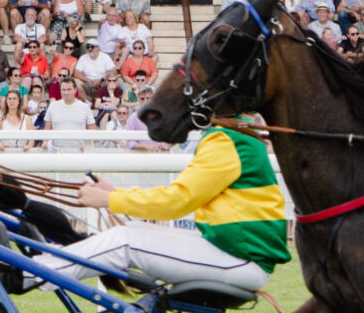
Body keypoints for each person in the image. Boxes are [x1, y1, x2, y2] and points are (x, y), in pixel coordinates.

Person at [60, 117, 291, 295]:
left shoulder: (226, 138)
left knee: (125, 240)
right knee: (130, 232)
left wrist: (109, 201)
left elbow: (176, 200)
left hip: (240, 259)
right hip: (237, 254)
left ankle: (33, 273)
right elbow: (177, 196)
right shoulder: (239, 132)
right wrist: (115, 193)